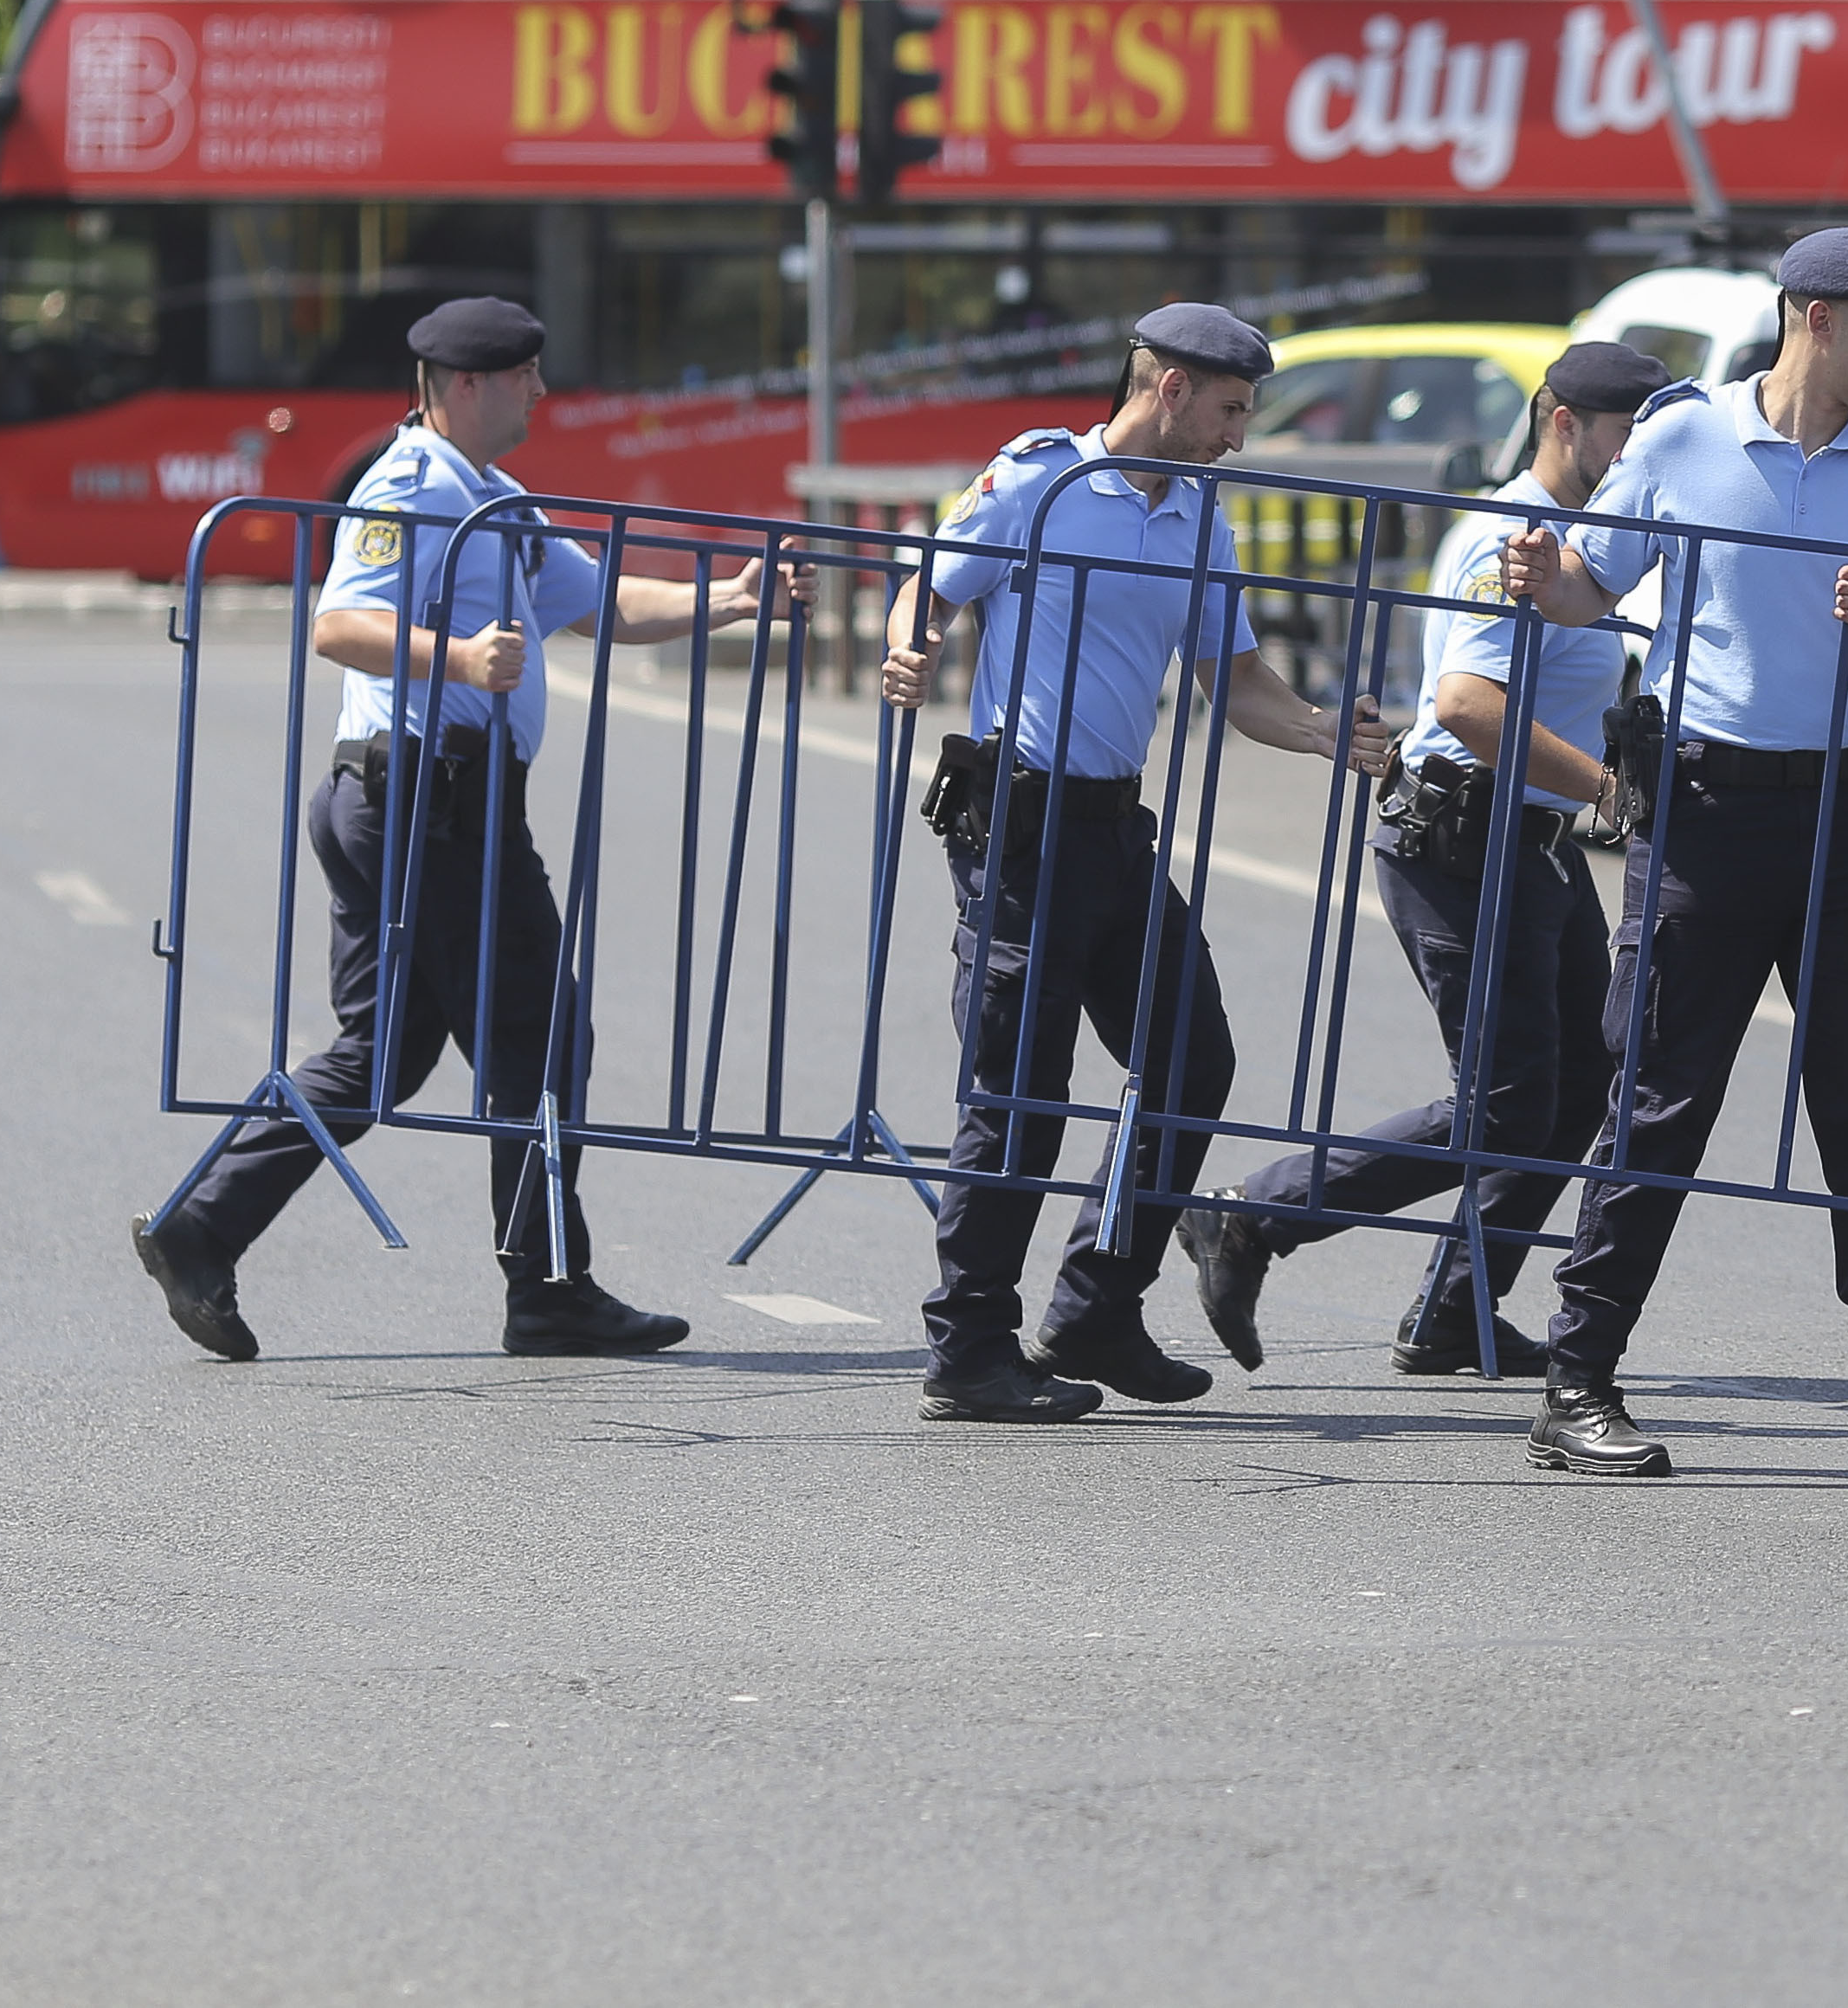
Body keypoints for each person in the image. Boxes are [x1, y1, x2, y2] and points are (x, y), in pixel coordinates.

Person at [132, 297, 797, 1361]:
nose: (541, 391)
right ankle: (548, 1290)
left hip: (431, 803)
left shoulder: (499, 498)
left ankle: (200, 1230)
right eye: (526, 374)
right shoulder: (406, 486)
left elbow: (601, 605)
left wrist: (730, 596)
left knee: (381, 1055)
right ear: (468, 384)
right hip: (425, 806)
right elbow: (338, 622)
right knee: (541, 1037)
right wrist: (457, 657)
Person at [1494, 228, 1848, 1480]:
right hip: (1708, 811)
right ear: (1814, 317)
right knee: (1655, 1098)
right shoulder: (1679, 437)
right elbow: (1588, 590)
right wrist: (1537, 572)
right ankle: (1576, 1380)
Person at [878, 303, 1393, 1425]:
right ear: (1166, 387)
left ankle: (1096, 1306)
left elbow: (1235, 677)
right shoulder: (1042, 481)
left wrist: (1319, 731)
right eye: (1227, 408)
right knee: (1018, 1093)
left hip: (1116, 829)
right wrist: (906, 646)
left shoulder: (1199, 517)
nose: (1238, 433)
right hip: (1021, 825)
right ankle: (967, 1346)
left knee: (1189, 1059)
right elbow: (931, 580)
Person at [1175, 339, 1665, 1378]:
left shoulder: (1594, 538)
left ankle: (1455, 1312)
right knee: (1504, 1100)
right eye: (1631, 435)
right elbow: (1465, 706)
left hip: (1531, 838)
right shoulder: (1510, 538)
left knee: (1583, 1081)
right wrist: (1612, 793)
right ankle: (1251, 1217)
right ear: (1565, 422)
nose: (1642, 459)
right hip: (1457, 833)